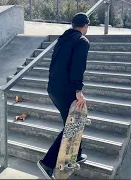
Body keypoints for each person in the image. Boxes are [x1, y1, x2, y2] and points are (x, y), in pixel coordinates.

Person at [37, 13, 90, 179]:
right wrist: (78, 91)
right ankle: (47, 163)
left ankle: (77, 153)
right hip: (67, 89)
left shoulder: (62, 40)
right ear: (86, 26)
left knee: (72, 121)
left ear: (73, 24)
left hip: (54, 88)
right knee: (72, 126)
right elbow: (77, 67)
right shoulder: (81, 41)